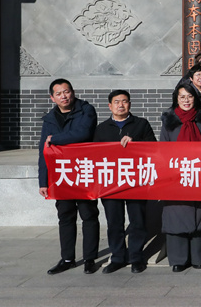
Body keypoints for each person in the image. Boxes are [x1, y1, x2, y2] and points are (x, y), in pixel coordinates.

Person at [38, 78, 99, 275]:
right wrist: (43, 181)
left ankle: (90, 258)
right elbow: (43, 151)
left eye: (66, 91)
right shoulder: (50, 118)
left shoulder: (86, 110)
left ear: (72, 92)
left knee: (89, 215)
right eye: (59, 93)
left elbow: (82, 133)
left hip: (84, 171)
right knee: (65, 216)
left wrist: (55, 139)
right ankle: (67, 259)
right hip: (61, 174)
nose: (64, 96)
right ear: (52, 97)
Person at [93, 89, 156, 274]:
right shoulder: (101, 128)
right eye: (117, 102)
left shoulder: (141, 124)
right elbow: (94, 154)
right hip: (111, 182)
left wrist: (135, 143)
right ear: (110, 106)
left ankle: (136, 257)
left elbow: (154, 147)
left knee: (137, 220)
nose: (121, 105)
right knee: (114, 222)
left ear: (130, 104)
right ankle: (118, 257)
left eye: (125, 101)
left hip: (135, 180)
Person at [160, 83, 201, 272]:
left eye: (190, 96)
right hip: (175, 175)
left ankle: (198, 257)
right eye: (182, 97)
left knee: (199, 215)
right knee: (177, 214)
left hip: (200, 174)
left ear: (195, 98)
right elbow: (163, 148)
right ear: (176, 99)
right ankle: (178, 259)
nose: (186, 100)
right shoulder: (169, 120)